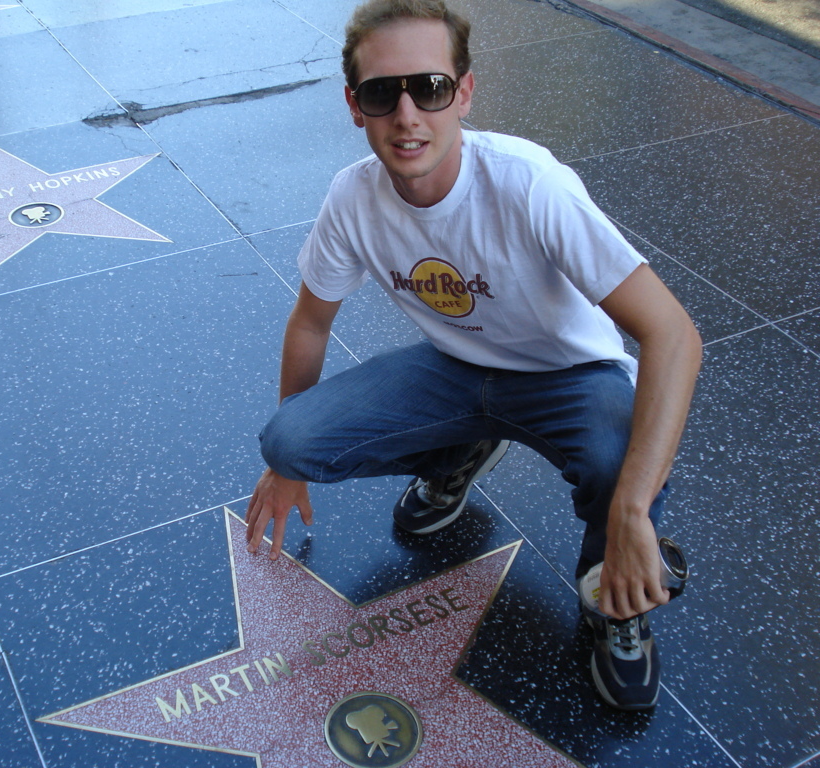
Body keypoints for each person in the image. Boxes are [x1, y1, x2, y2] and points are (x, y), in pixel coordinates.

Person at [245, 0, 701, 711]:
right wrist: (285, 466)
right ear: (353, 106)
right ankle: (458, 452)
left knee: (620, 469)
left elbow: (673, 333)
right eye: (380, 93)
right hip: (457, 370)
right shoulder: (352, 198)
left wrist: (633, 512)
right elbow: (309, 323)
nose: (406, 115)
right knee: (291, 437)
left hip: (570, 376)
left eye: (427, 88)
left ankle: (614, 603)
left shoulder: (528, 183)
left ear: (463, 92)